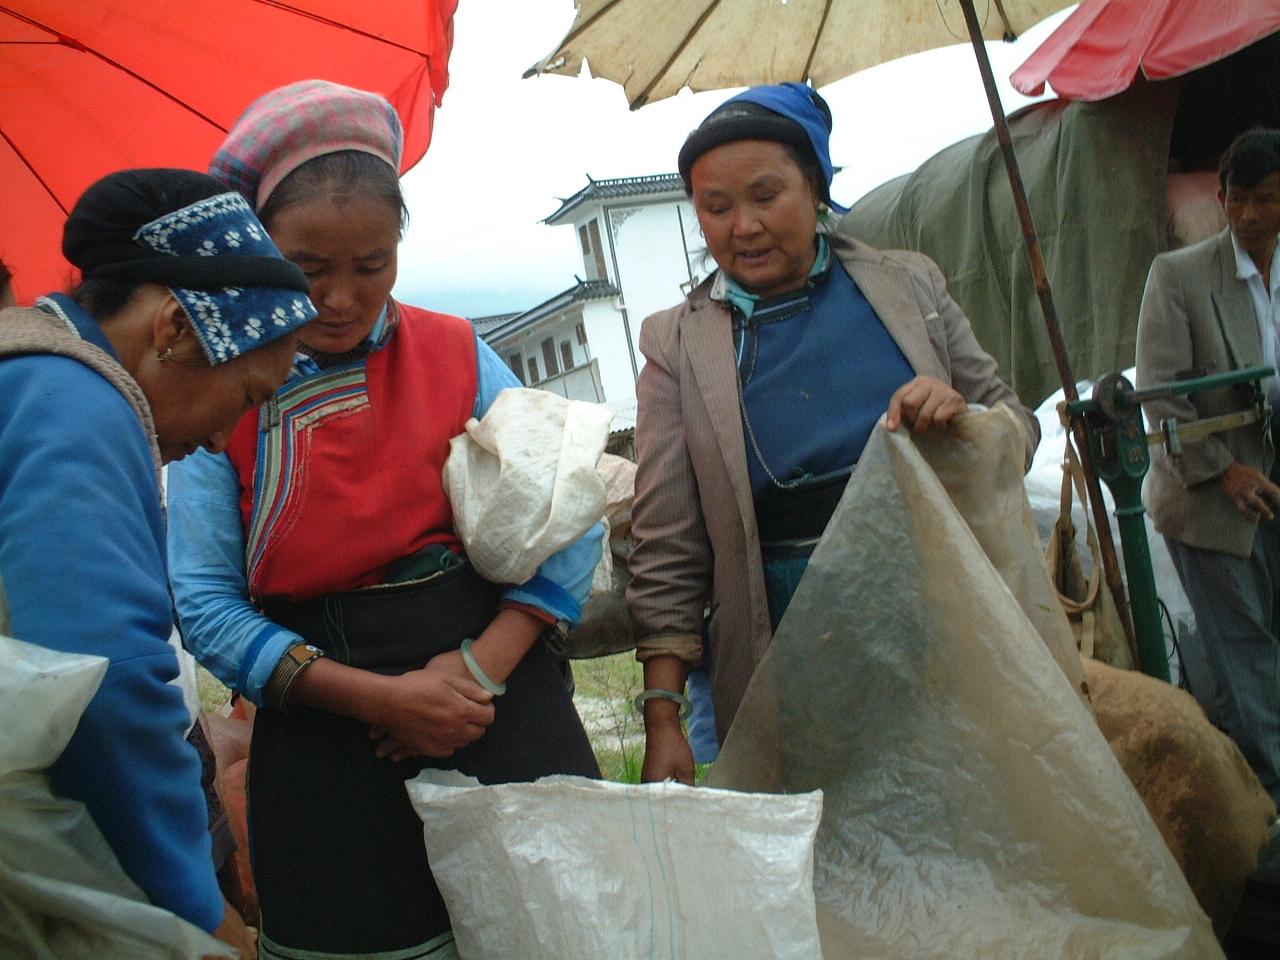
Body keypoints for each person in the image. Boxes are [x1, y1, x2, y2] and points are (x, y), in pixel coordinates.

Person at [167, 80, 603, 960]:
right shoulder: (225, 394)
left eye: (372, 266)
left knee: (553, 931)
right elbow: (205, 601)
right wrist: (383, 700)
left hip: (493, 701)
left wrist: (480, 667)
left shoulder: (457, 353)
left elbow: (567, 511)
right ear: (259, 250)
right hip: (325, 729)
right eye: (307, 268)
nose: (339, 298)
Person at [627, 83, 1039, 784]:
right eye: (716, 208)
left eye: (766, 195)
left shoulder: (909, 287)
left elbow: (1017, 428)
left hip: (938, 615)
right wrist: (663, 718)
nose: (744, 226)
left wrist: (963, 423)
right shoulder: (678, 346)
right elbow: (668, 543)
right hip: (791, 645)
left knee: (962, 798)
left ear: (815, 188)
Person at [0, 168, 315, 955]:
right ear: (174, 326)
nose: (219, 440)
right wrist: (195, 906)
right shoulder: (77, 403)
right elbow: (101, 678)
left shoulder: (26, 372)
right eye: (246, 397)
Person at [1137, 127, 1280, 809]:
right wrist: (1226, 471)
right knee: (1245, 648)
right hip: (1209, 496)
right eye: (1237, 198)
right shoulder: (1180, 276)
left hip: (1272, 481)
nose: (1249, 215)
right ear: (1221, 198)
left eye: (1266, 200)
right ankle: (1272, 796)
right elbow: (1160, 396)